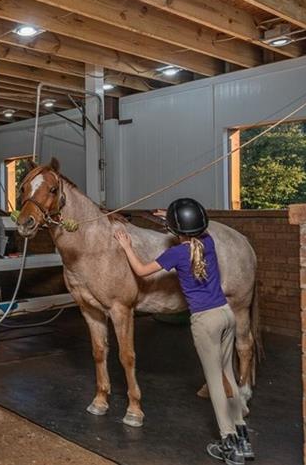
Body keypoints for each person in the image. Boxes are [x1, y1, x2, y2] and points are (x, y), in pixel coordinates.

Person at [114, 198, 253, 465]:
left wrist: (127, 246)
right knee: (229, 380)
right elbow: (195, 230)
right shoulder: (210, 243)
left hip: (206, 322)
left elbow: (142, 272)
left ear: (175, 231)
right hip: (226, 315)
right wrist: (169, 219)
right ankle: (243, 440)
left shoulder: (175, 254)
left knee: (215, 384)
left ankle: (229, 445)